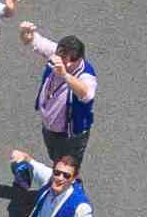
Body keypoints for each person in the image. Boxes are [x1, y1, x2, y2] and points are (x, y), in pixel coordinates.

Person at [21, 22, 97, 166]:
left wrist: (65, 75)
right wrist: (25, 34)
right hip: (49, 128)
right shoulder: (57, 54)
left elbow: (86, 94)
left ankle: (70, 183)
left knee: (68, 166)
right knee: (55, 157)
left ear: (81, 58)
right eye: (64, 57)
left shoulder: (87, 74)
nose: (67, 63)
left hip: (70, 136)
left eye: (73, 59)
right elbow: (34, 41)